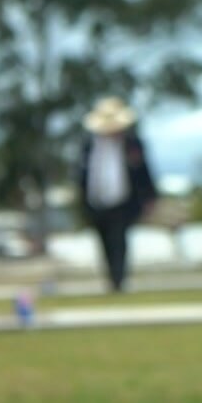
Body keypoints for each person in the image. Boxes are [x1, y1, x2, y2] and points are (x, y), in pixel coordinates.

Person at [76, 96, 159, 293]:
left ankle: (118, 280)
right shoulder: (89, 145)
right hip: (96, 201)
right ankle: (111, 278)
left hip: (123, 201)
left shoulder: (132, 144)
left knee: (119, 240)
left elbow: (144, 171)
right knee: (104, 241)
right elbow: (81, 175)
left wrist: (150, 196)